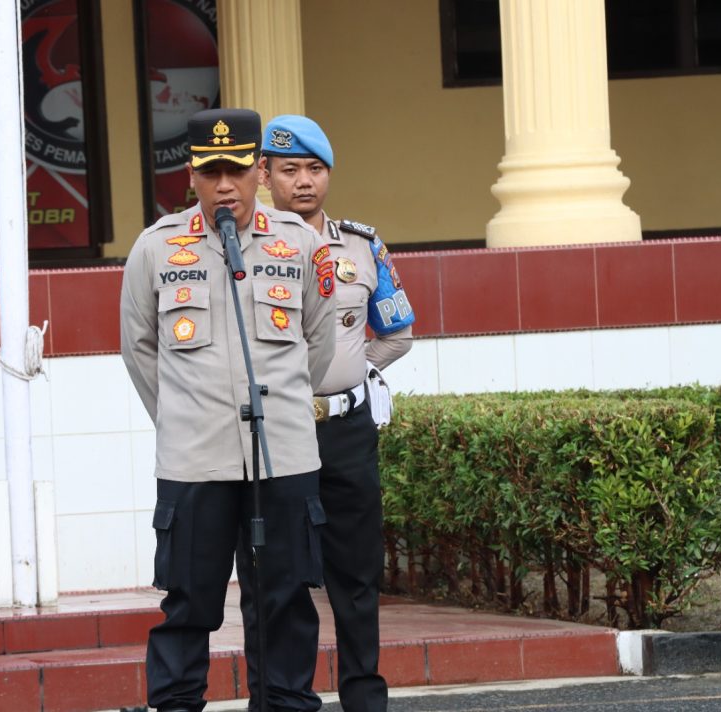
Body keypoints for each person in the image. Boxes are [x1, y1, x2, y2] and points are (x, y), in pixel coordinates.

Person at [120, 108, 337, 712]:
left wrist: (287, 401)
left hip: (283, 457)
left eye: (236, 171)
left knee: (285, 602)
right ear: (190, 175)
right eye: (210, 172)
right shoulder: (157, 248)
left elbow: (317, 346)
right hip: (194, 463)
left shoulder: (299, 244)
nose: (224, 186)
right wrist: (186, 417)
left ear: (258, 172)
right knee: (188, 603)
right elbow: (139, 347)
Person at [241, 114, 415, 712]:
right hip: (280, 431)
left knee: (356, 576)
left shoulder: (362, 246)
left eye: (315, 169)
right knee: (280, 579)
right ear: (263, 175)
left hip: (346, 429)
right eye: (289, 170)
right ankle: (284, 699)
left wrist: (348, 369)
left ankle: (364, 699)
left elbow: (398, 332)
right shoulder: (248, 247)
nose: (304, 182)